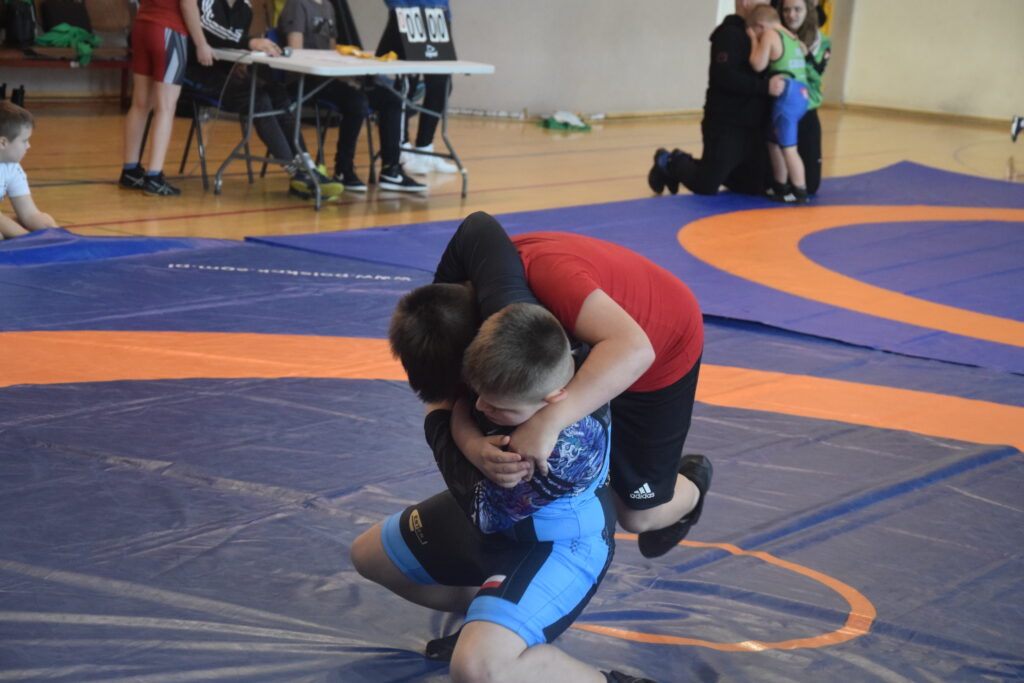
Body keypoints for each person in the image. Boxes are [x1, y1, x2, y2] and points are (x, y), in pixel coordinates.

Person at [353, 298, 654, 683]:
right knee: (370, 556)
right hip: (496, 518)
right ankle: (486, 621)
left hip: (557, 544)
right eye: (477, 394)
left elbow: (485, 511)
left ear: (552, 400)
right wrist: (473, 445)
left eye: (496, 407)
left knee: (478, 669)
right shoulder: (516, 368)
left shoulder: (567, 446)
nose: (480, 406)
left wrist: (445, 422)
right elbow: (463, 405)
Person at [419, 212, 712, 561]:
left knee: (638, 515)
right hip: (589, 333)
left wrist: (548, 422)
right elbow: (454, 404)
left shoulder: (549, 284)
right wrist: (474, 448)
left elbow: (636, 351)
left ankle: (694, 484)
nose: (479, 402)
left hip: (660, 342)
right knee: (509, 417)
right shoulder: (474, 330)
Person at [182, 0, 343, 200]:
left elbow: (234, 42)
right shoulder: (208, 2)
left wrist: (245, 56)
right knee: (257, 100)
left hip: (227, 74)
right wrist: (251, 42)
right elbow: (209, 28)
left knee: (277, 93)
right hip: (199, 73)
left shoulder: (245, 8)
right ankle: (296, 171)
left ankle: (307, 165)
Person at [277, 0, 426, 192]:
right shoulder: (297, 5)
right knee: (357, 101)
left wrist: (346, 75)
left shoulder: (328, 7)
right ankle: (343, 168)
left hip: (329, 77)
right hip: (306, 80)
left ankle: (391, 169)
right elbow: (296, 53)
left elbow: (332, 52)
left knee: (390, 98)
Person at [647, 0, 784, 197]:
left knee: (756, 186)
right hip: (727, 125)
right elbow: (724, 76)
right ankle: (670, 161)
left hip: (753, 127)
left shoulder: (764, 35)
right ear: (745, 2)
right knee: (706, 185)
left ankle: (717, 168)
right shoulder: (728, 34)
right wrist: (765, 87)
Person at [119, 0, 214, 196]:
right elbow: (188, 5)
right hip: (168, 28)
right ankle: (154, 177)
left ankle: (130, 171)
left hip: (142, 26)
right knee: (166, 107)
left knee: (140, 104)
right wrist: (201, 44)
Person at [747, 4, 810, 204]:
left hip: (788, 95)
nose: (758, 37)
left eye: (756, 32)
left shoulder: (770, 34)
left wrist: (753, 40)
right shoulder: (792, 37)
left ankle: (800, 191)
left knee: (788, 147)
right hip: (801, 93)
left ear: (760, 26)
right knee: (774, 142)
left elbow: (758, 64)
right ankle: (780, 185)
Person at [776, 0, 830, 196]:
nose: (791, 15)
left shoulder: (821, 41)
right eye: (786, 10)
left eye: (797, 9)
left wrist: (805, 56)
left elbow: (818, 75)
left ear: (808, 10)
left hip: (807, 108)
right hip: (781, 108)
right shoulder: (776, 36)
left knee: (811, 185)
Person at [0, 101, 57, 239]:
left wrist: (58, 236)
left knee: (44, 221)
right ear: (3, 143)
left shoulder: (12, 167)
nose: (28, 146)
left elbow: (30, 214)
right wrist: (31, 240)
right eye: (24, 141)